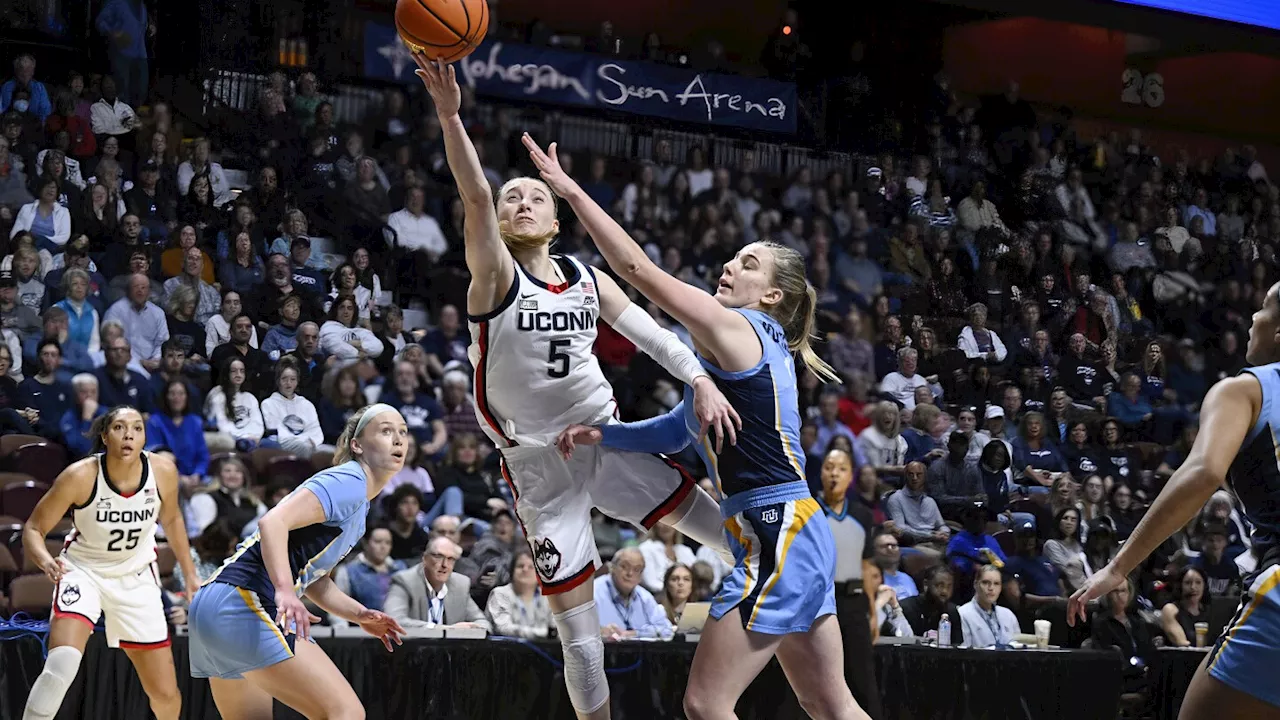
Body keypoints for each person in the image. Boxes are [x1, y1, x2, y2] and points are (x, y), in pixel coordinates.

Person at [413, 56, 735, 720]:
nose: (520, 200)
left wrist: (699, 376)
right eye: (512, 197)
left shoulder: (586, 277)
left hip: (608, 441)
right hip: (539, 469)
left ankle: (793, 606)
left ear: (557, 218)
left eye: (534, 194)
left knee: (735, 540)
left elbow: (652, 334)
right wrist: (450, 116)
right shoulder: (494, 277)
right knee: (581, 648)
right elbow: (474, 192)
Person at [535, 139, 866, 718]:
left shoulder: (742, 326)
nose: (729, 267)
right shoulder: (738, 363)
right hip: (793, 530)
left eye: (747, 264)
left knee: (706, 704)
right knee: (828, 704)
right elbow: (673, 433)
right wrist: (603, 434)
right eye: (733, 258)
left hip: (776, 530)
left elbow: (636, 270)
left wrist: (572, 192)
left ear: (771, 296)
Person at [1070, 281, 1280, 720]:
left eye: (1262, 308)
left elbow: (1202, 473)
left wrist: (1117, 567)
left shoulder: (1244, 389)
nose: (1252, 319)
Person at [187, 405, 409, 719]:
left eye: (403, 432)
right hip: (244, 599)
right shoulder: (349, 480)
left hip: (212, 606)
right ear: (357, 444)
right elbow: (272, 523)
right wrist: (284, 591)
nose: (398, 440)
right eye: (386, 431)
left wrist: (359, 614)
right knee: (345, 713)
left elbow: (315, 580)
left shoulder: (359, 507)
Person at [20, 406, 199, 720]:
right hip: (83, 571)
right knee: (61, 665)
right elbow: (34, 529)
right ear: (104, 436)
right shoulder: (80, 475)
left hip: (136, 575)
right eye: (119, 427)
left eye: (136, 428)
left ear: (145, 437)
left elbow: (171, 520)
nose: (129, 434)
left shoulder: (163, 471)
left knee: (165, 694)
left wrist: (190, 574)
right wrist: (46, 560)